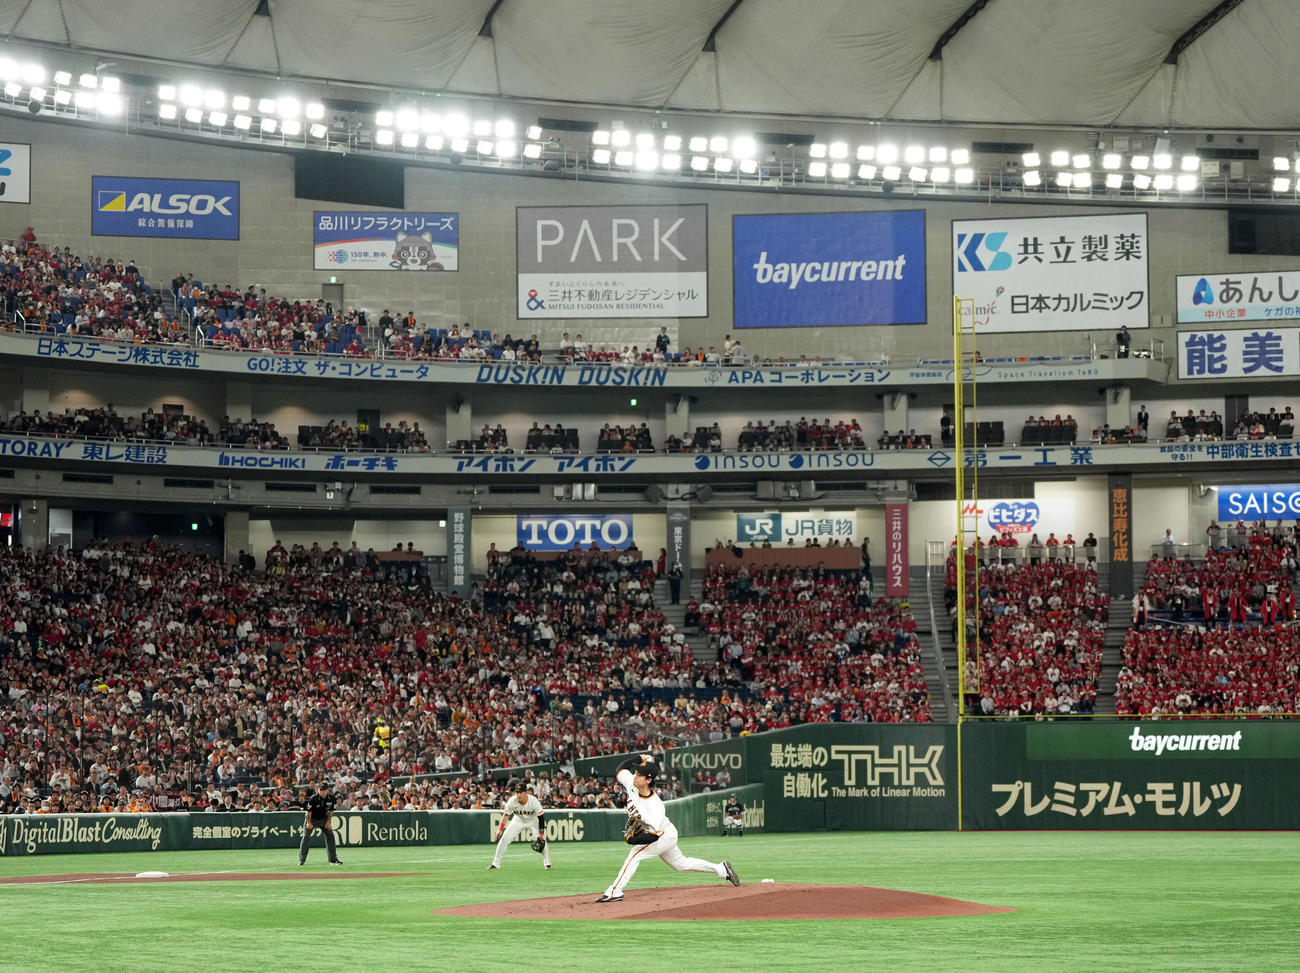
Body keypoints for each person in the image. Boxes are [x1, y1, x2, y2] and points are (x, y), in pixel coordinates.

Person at [594, 755, 739, 903]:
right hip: (663, 832)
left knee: (635, 855)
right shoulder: (632, 784)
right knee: (681, 864)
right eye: (636, 773)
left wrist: (633, 840)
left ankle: (614, 891)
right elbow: (620, 769)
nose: (635, 776)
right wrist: (639, 757)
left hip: (663, 834)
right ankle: (722, 869)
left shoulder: (655, 806)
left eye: (639, 775)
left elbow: (653, 836)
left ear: (648, 780)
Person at [489, 778, 552, 870]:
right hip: (518, 820)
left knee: (541, 841)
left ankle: (547, 863)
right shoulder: (512, 801)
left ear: (525, 792)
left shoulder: (533, 801)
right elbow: (506, 815)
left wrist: (541, 834)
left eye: (520, 792)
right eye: (517, 792)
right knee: (504, 839)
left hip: (533, 821)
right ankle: (495, 864)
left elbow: (541, 818)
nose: (518, 794)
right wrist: (500, 829)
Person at [299, 780, 343, 866]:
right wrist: (308, 823)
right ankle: (301, 860)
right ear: (318, 790)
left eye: (323, 789)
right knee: (305, 837)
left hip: (324, 819)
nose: (322, 791)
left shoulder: (332, 798)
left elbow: (331, 811)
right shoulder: (313, 798)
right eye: (320, 789)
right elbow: (309, 812)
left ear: (327, 790)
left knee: (330, 836)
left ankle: (333, 860)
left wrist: (328, 822)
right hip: (312, 819)